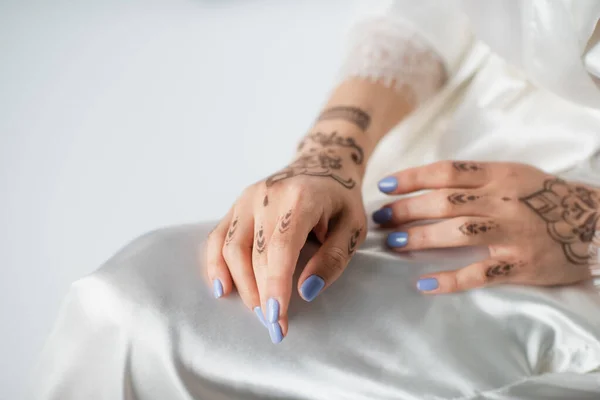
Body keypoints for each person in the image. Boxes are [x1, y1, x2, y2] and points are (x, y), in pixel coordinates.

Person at [35, 1, 600, 398]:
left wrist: (588, 223)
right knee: (131, 311)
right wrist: (330, 152)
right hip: (454, 159)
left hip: (579, 264)